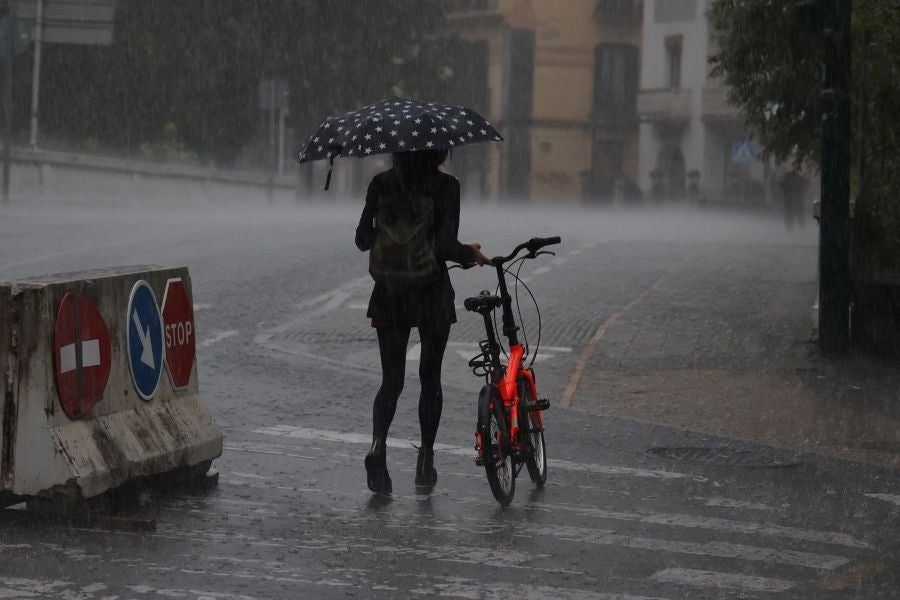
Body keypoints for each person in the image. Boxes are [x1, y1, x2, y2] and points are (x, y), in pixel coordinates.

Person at [355, 149, 492, 494]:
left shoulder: (381, 183)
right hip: (430, 294)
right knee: (430, 378)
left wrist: (386, 232)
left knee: (392, 380)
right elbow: (445, 245)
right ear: (439, 150)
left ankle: (378, 447)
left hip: (390, 294)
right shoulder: (446, 186)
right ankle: (426, 459)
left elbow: (361, 241)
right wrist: (469, 253)